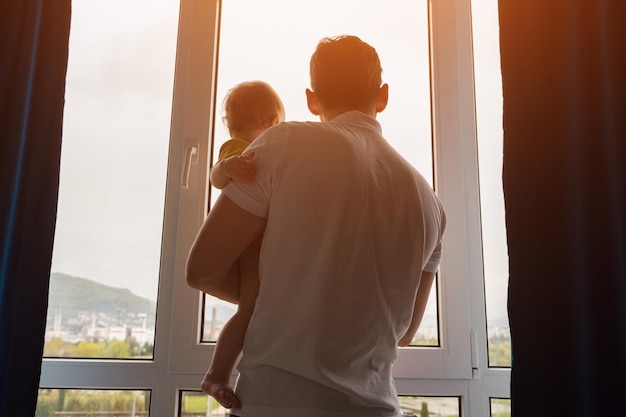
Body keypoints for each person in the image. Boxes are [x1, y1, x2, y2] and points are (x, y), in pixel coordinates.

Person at [186, 35, 446, 417]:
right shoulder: (432, 205)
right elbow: (404, 332)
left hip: (275, 403)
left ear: (311, 99)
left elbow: (202, 271)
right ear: (383, 96)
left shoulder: (285, 143)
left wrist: (290, 297)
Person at [200, 80, 285, 409]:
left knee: (255, 310)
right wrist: (226, 168)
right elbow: (216, 176)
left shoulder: (254, 149)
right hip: (250, 249)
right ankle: (216, 375)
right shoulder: (237, 148)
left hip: (260, 246)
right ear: (272, 123)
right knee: (249, 311)